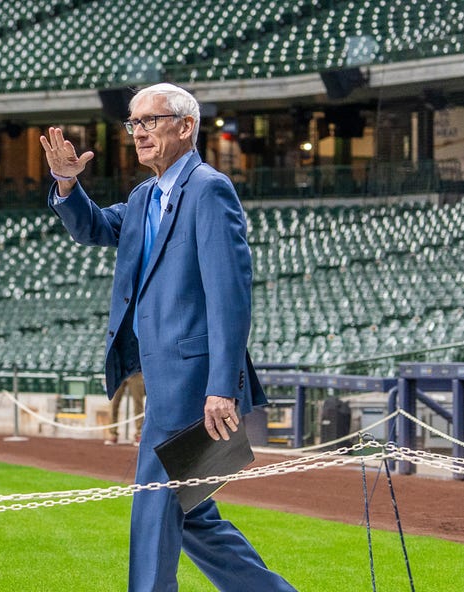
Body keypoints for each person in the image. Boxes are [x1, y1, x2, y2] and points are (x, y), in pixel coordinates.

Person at [40, 83, 296, 592]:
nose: (139, 133)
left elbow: (230, 294)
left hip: (193, 379)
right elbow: (94, 227)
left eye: (150, 121)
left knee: (155, 500)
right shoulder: (142, 197)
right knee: (193, 514)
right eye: (133, 124)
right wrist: (67, 185)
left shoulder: (209, 188)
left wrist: (222, 385)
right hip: (159, 372)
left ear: (185, 126)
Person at [105, 371, 145, 445]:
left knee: (138, 404)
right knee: (113, 403)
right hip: (119, 372)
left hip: (136, 372)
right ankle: (113, 434)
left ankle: (139, 434)